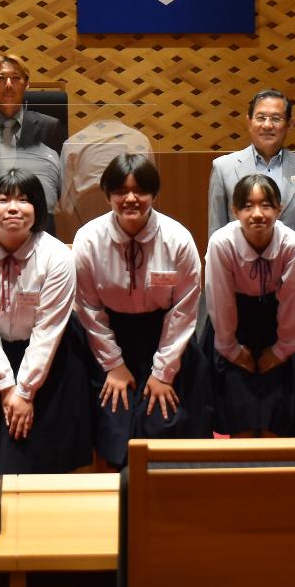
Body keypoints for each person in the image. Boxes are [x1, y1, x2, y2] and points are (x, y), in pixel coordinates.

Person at [72, 153, 207, 466]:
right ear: (107, 196)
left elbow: (184, 310)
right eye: (120, 191)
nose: (130, 198)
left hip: (167, 340)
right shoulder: (89, 240)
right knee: (112, 427)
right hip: (108, 342)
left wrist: (162, 372)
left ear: (154, 195)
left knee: (165, 422)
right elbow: (89, 308)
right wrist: (113, 365)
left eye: (140, 191)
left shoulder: (178, 239)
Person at [0, 169, 90, 473]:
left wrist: (25, 391)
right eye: (2, 200)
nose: (13, 208)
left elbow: (49, 330)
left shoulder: (57, 256)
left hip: (50, 363)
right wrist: (6, 387)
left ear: (37, 208)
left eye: (24, 200)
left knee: (49, 461)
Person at [200, 173, 295, 437]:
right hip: (233, 326)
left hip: (278, 325)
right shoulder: (221, 243)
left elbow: (293, 303)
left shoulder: (293, 245)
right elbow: (220, 302)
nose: (257, 214)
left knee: (277, 418)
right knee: (239, 416)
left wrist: (282, 350)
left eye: (266, 205)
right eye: (248, 206)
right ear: (235, 210)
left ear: (279, 209)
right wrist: (232, 350)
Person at [0, 53, 66, 236]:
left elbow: (56, 183)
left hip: (39, 229)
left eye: (15, 78)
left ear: (27, 83)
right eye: (1, 78)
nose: (8, 85)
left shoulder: (50, 127)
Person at [206, 89, 295, 236]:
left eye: (276, 118)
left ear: (289, 124)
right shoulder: (223, 169)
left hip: (293, 258)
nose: (267, 125)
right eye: (261, 117)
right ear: (249, 122)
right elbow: (216, 235)